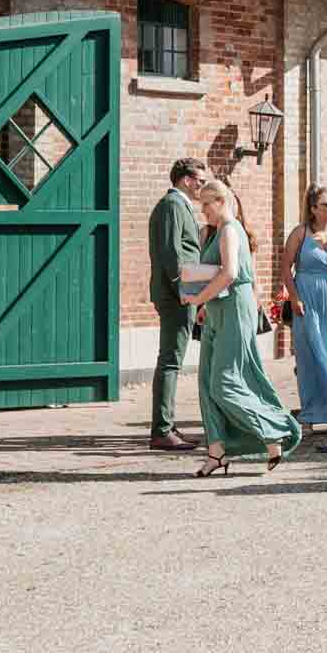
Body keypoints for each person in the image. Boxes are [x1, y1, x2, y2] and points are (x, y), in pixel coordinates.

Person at [184, 179, 300, 475]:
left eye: (206, 205)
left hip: (234, 309)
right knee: (207, 384)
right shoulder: (216, 232)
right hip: (217, 310)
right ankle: (217, 452)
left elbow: (230, 273)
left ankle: (274, 430)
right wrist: (205, 307)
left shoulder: (230, 230)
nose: (203, 211)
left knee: (225, 383)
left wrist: (199, 298)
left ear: (220, 201)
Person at [280, 185, 327, 450]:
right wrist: (294, 297)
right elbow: (285, 267)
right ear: (313, 208)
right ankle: (311, 416)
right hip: (307, 300)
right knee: (310, 358)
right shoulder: (300, 233)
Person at [147, 158, 207, 451]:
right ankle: (161, 430)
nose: (202, 186)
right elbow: (172, 252)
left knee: (173, 359)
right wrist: (183, 289)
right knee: (171, 360)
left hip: (182, 292)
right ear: (185, 179)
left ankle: (167, 424)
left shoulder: (179, 206)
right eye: (200, 180)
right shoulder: (172, 205)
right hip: (177, 295)